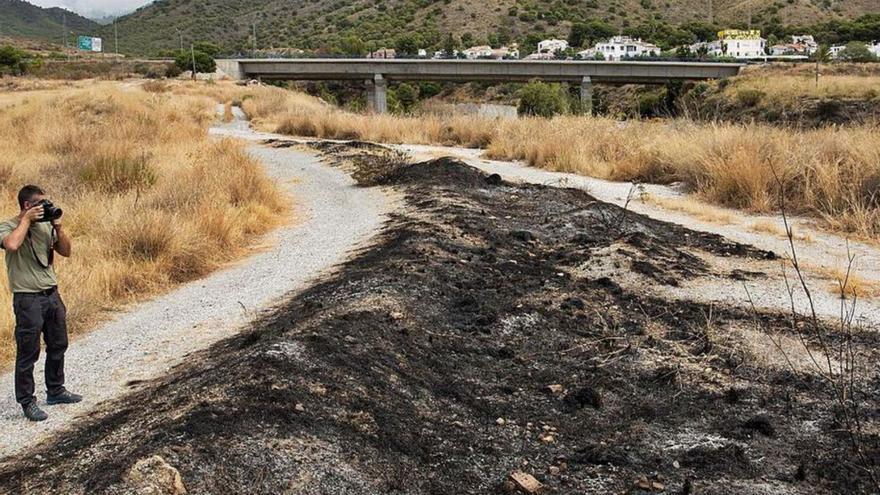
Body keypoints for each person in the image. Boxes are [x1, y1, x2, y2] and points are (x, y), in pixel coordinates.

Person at [0, 185, 80, 421]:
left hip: (51, 294)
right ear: (27, 205)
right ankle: (27, 401)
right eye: (41, 204)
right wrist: (26, 221)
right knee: (28, 351)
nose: (45, 207)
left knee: (58, 344)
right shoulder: (8, 226)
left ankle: (56, 389)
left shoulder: (46, 226)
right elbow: (12, 245)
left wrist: (57, 227)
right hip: (27, 298)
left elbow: (66, 251)